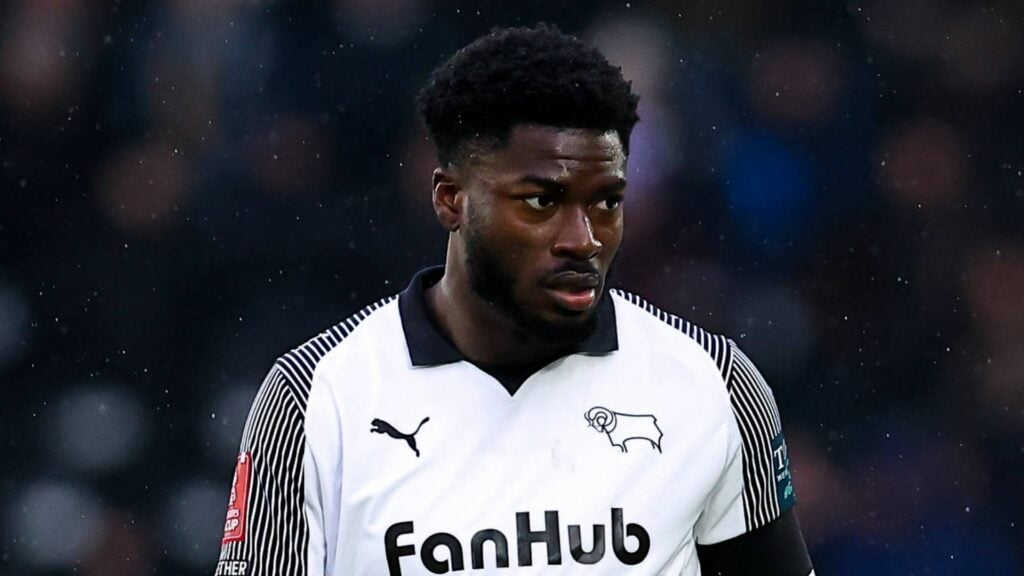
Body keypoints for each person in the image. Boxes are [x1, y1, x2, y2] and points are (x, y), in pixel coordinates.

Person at [214, 23, 814, 576]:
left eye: (606, 201)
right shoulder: (312, 400)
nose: (583, 238)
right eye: (540, 201)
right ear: (450, 199)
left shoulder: (718, 387)